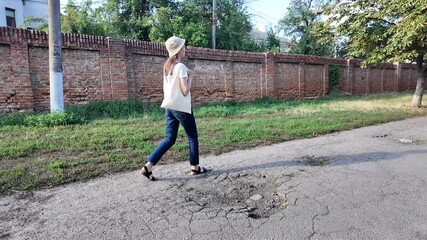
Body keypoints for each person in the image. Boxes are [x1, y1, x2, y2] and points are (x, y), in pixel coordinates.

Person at [140, 36, 207, 181]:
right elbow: (185, 91)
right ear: (178, 50)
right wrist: (191, 77)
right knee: (192, 137)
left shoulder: (167, 66)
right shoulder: (181, 67)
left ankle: (148, 167)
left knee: (169, 138)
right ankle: (195, 167)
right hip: (181, 108)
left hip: (169, 107)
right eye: (183, 46)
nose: (185, 49)